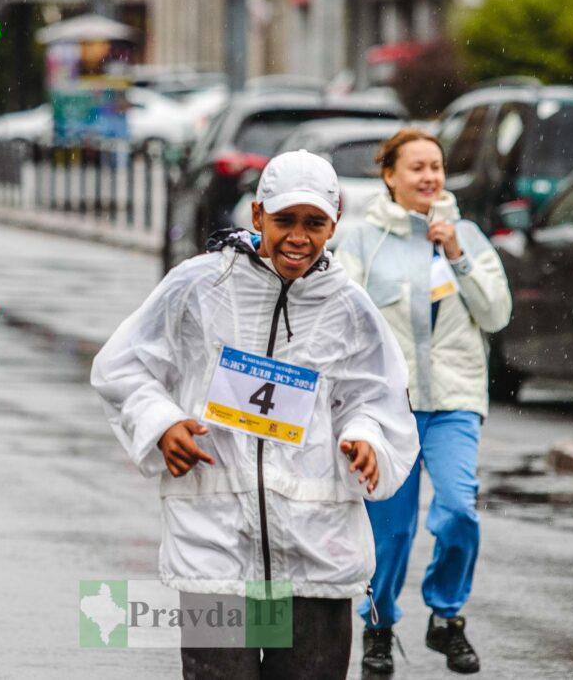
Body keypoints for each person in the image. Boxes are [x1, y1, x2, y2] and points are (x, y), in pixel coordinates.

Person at [92, 149, 420, 678]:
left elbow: (375, 397)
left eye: (314, 223)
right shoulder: (199, 286)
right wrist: (161, 423)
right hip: (215, 548)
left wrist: (365, 438)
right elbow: (122, 367)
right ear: (257, 216)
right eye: (285, 220)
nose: (298, 237)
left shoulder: (348, 306)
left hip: (316, 553)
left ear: (334, 224)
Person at [336, 128, 512, 675]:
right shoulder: (363, 240)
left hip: (455, 398)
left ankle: (446, 617)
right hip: (390, 407)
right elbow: (344, 318)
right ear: (389, 175)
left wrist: (458, 254)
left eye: (435, 167)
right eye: (416, 168)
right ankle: (379, 625)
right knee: (390, 532)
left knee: (458, 509)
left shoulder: (468, 236)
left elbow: (497, 314)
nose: (429, 177)